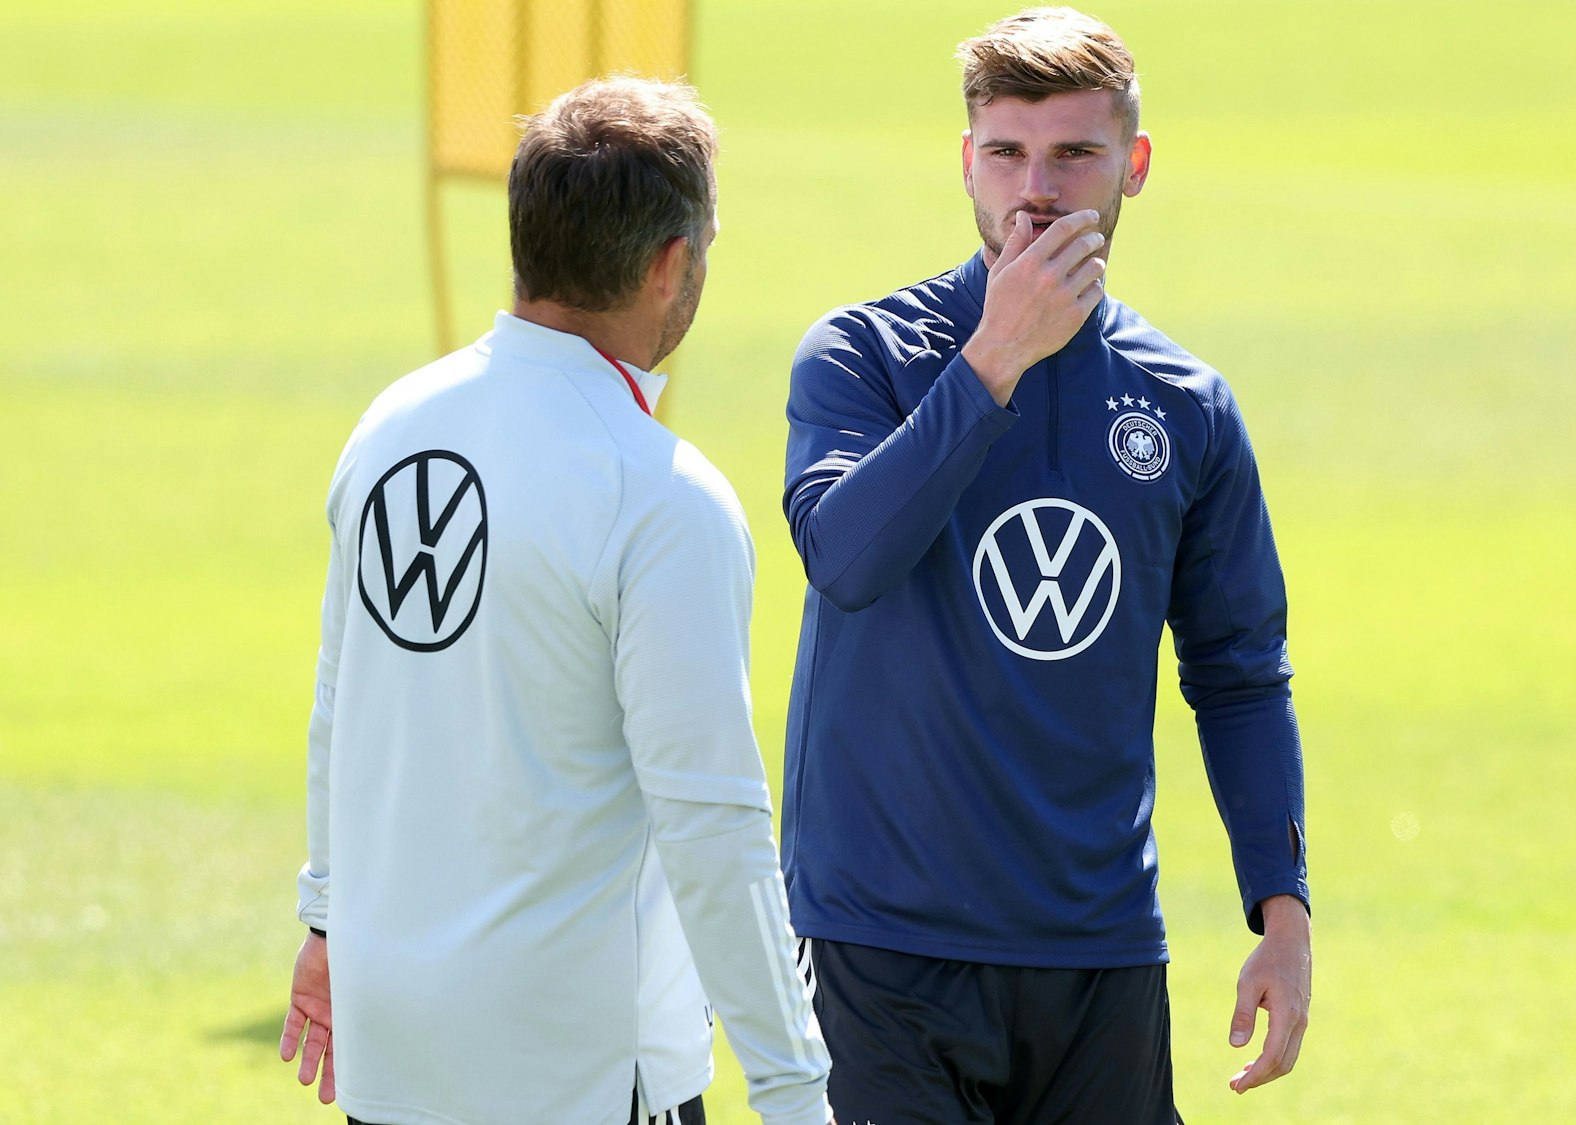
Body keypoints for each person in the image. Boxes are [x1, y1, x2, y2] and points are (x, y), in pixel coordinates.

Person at [779, 8, 1311, 1122]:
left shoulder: (1185, 406)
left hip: (1097, 954)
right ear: (963, 162)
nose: (1038, 188)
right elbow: (845, 557)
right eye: (1005, 153)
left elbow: (1237, 669)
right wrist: (994, 358)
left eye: (1074, 154)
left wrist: (1281, 907)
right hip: (883, 948)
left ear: (1135, 165)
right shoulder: (863, 356)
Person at [281, 76, 831, 1125]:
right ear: (673, 262)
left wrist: (322, 921)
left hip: (396, 1061)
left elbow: (338, 706)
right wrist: (796, 1091)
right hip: (577, 1079)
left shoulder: (392, 426)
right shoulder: (662, 498)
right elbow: (714, 826)